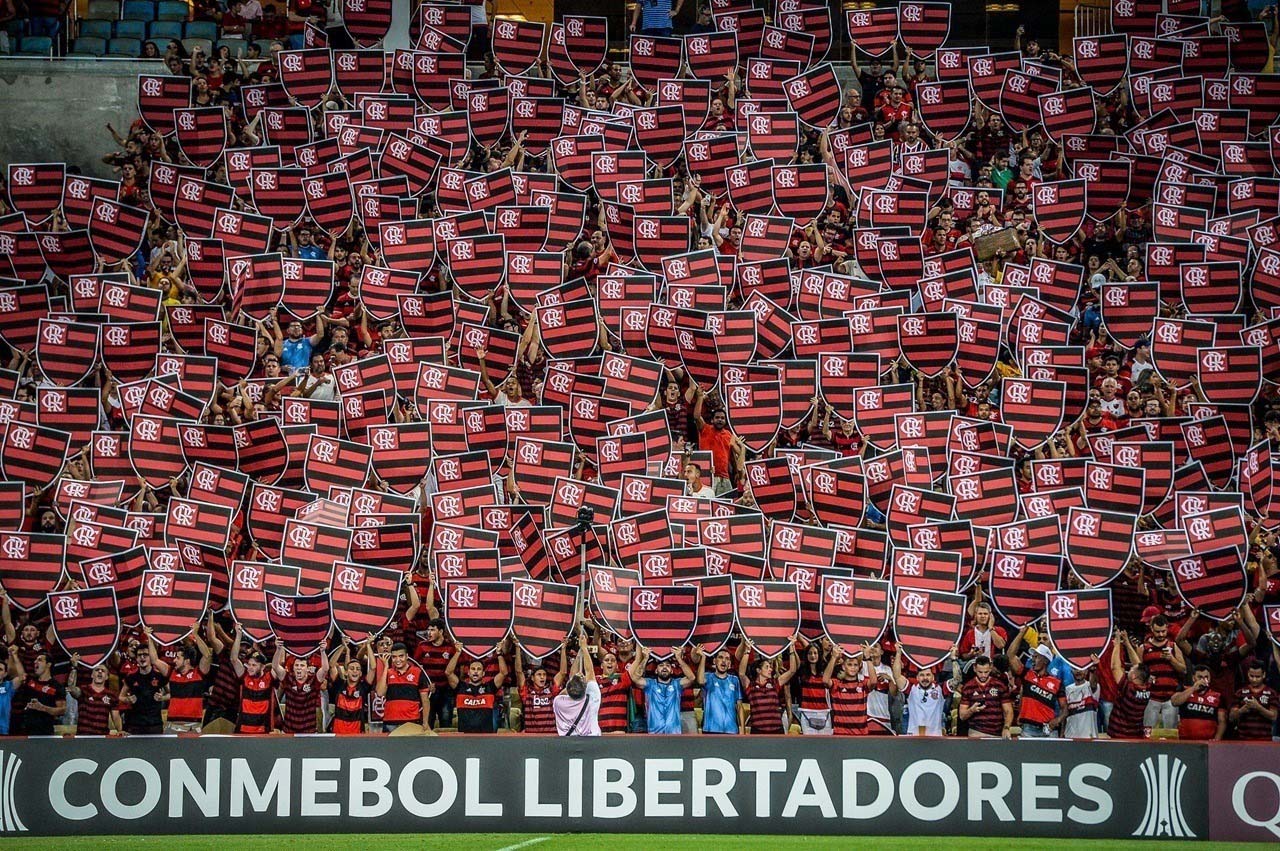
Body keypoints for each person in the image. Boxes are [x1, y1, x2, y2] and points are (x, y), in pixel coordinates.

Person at [146, 626, 212, 733]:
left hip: (193, 725)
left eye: (178, 658)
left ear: (187, 661)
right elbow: (154, 660)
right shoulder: (171, 672)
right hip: (172, 724)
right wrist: (149, 637)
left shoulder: (199, 673)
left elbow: (207, 655)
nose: (174, 660)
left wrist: (195, 634)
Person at [1007, 627, 1064, 738]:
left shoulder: (1056, 682)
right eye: (1033, 656)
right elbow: (1010, 655)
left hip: (1049, 730)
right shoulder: (1027, 674)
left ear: (1046, 661)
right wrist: (1022, 633)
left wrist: (1057, 720)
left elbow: (1065, 708)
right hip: (1028, 728)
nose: (1033, 659)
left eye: (1036, 657)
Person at [628, 645, 696, 734]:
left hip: (674, 734)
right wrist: (645, 659)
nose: (664, 667)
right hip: (654, 734)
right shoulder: (650, 684)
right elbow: (635, 678)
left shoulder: (677, 684)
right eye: (661, 665)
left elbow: (691, 678)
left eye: (668, 665)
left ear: (671, 671)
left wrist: (679, 659)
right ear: (656, 670)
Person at [229, 625, 282, 734]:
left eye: (254, 665)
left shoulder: (269, 677)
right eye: (249, 664)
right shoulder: (244, 676)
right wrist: (238, 635)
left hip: (263, 728)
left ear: (262, 666)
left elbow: (277, 665)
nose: (250, 667)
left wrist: (278, 649)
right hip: (244, 728)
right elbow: (234, 659)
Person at [446, 641, 508, 734]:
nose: (475, 672)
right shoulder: (461, 687)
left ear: (483, 673)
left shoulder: (489, 687)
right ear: (468, 672)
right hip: (464, 738)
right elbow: (448, 672)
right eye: (473, 669)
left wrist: (499, 653)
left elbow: (503, 673)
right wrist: (458, 653)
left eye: (479, 669)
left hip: (485, 737)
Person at [891, 645, 954, 736]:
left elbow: (957, 680)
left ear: (933, 677)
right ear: (917, 677)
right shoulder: (912, 689)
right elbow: (896, 676)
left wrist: (954, 659)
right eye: (922, 675)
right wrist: (898, 653)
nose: (925, 678)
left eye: (928, 675)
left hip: (935, 737)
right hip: (914, 736)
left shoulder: (941, 689)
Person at [1140, 613, 1186, 733]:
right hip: (1151, 698)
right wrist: (1146, 678)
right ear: (1151, 629)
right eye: (1157, 631)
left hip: (1170, 698)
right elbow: (1138, 671)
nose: (1161, 634)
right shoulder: (1143, 648)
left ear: (1167, 628)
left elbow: (1183, 670)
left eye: (1163, 631)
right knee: (1148, 734)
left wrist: (1172, 659)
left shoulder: (1173, 646)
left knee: (1170, 735)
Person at [738, 641, 798, 734]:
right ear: (758, 670)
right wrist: (747, 651)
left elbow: (792, 670)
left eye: (770, 667)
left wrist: (791, 648)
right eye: (767, 667)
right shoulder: (751, 686)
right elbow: (741, 673)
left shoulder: (775, 683)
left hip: (777, 730)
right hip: (757, 731)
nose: (771, 669)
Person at [554, 625, 602, 736]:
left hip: (568, 744)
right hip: (592, 742)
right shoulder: (592, 698)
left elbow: (570, 685)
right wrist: (584, 648)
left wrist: (580, 652)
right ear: (585, 689)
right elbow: (590, 672)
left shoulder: (558, 702)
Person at [375, 641, 432, 732]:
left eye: (401, 656)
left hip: (411, 722)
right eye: (394, 657)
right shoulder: (388, 673)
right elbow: (380, 692)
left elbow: (425, 700)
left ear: (407, 656)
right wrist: (385, 667)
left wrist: (425, 722)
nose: (397, 660)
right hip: (390, 723)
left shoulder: (418, 672)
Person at [1106, 631, 1153, 739]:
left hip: (1119, 734)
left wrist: (1117, 643)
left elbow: (1114, 667)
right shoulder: (1148, 687)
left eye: (1131, 670)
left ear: (1134, 677)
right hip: (1135, 735)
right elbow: (1139, 666)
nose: (1130, 669)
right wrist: (1127, 642)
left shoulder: (1129, 688)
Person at [119, 642, 169, 736]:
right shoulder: (131, 677)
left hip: (155, 724)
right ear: (136, 658)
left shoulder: (159, 675)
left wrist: (162, 698)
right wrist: (128, 699)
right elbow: (121, 696)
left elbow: (171, 694)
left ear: (150, 657)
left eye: (145, 655)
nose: (142, 657)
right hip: (135, 724)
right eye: (139, 655)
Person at [958, 654, 1013, 738]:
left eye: (986, 672)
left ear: (990, 668)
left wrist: (1006, 728)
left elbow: (1008, 710)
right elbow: (962, 716)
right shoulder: (968, 687)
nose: (983, 675)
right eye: (980, 672)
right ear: (974, 668)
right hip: (976, 732)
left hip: (997, 733)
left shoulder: (1000, 685)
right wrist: (972, 710)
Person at [66, 656, 122, 736]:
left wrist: (120, 731)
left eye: (103, 671)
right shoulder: (83, 690)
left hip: (102, 738)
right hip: (83, 737)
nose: (99, 672)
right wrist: (74, 667)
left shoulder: (111, 695)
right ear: (92, 675)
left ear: (106, 677)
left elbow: (116, 716)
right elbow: (71, 688)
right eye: (96, 670)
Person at [275, 650, 328, 734]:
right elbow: (275, 667)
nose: (299, 668)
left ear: (308, 668)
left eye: (302, 665)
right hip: (289, 730)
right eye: (296, 665)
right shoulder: (288, 678)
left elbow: (325, 669)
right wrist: (278, 649)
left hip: (309, 731)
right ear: (293, 668)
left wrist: (322, 651)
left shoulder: (314, 680)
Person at [515, 645, 566, 733]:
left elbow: (562, 672)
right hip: (532, 738)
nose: (542, 677)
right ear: (532, 678)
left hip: (551, 736)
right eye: (539, 675)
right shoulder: (527, 693)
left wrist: (563, 648)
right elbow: (519, 672)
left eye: (544, 675)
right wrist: (517, 647)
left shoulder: (551, 690)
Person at [328, 641, 376, 734]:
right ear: (346, 672)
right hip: (338, 733)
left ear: (361, 674)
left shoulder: (363, 687)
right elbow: (331, 664)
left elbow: (373, 668)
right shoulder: (339, 685)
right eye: (352, 668)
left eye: (358, 669)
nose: (355, 671)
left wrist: (368, 645)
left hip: (356, 734)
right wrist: (342, 645)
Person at [1171, 664, 1226, 741]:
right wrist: (1193, 688)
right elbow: (1174, 702)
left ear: (1210, 679)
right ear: (1193, 678)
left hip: (1207, 742)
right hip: (1185, 741)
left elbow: (1222, 721)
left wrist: (1216, 740)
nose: (1203, 680)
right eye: (1200, 677)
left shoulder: (1217, 696)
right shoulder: (1184, 690)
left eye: (1206, 677)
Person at [824, 647, 871, 736]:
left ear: (859, 667)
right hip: (841, 735)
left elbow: (874, 681)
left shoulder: (863, 685)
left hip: (861, 735)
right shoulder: (837, 685)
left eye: (855, 665)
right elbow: (825, 680)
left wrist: (868, 658)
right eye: (849, 664)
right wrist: (834, 657)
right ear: (843, 667)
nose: (853, 667)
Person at [697, 647, 743, 734]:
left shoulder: (734, 680)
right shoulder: (708, 677)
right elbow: (700, 680)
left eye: (727, 659)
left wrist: (743, 732)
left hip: (731, 730)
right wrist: (703, 657)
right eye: (721, 657)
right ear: (714, 661)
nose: (724, 661)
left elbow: (739, 707)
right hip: (710, 729)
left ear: (729, 663)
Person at [1229, 660, 1277, 740]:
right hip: (1243, 739)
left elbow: (1274, 716)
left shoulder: (1272, 693)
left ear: (1264, 675)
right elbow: (1231, 717)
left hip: (1264, 740)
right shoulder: (1240, 692)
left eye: (1257, 677)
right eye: (1252, 676)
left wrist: (1258, 707)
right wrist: (1242, 710)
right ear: (1248, 674)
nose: (1254, 679)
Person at [19, 652, 65, 736]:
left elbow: (62, 710)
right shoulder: (29, 681)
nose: (35, 662)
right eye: (35, 660)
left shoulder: (57, 686)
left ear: (48, 664)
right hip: (24, 731)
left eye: (39, 660)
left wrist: (42, 708)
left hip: (45, 732)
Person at [0, 645, 21, 735]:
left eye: (0, 669)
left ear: (5, 674)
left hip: (2, 730)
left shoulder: (8, 686)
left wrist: (14, 656)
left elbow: (21, 677)